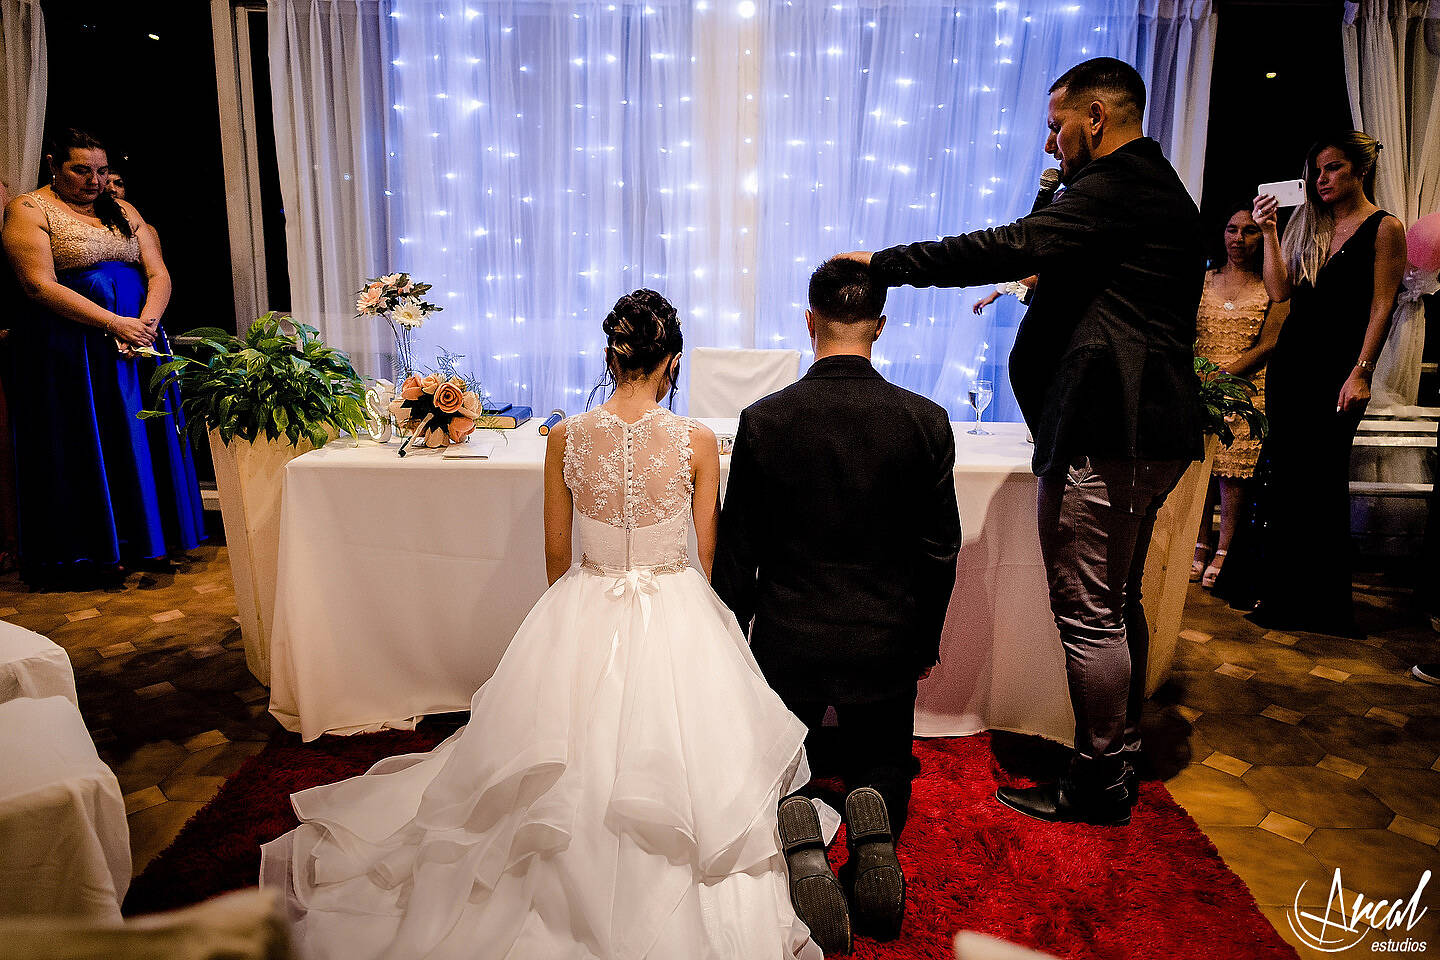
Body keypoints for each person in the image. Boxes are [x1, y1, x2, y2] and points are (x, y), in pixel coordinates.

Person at [261, 290, 836, 960]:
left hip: (583, 601)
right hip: (676, 603)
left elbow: (556, 559)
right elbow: (707, 560)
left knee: (546, 765)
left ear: (609, 355)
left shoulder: (565, 436)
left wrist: (578, 627)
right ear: (672, 362)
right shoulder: (699, 441)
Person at [841, 57, 1206, 826]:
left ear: (1096, 117)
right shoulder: (1151, 188)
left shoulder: (1119, 185)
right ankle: (1117, 752)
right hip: (1146, 428)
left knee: (1092, 613)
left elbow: (1007, 245)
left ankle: (1100, 780)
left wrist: (888, 264)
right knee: (1115, 600)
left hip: (1109, 430)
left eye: (1055, 126)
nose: (1049, 145)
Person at [713, 258, 961, 947]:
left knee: (778, 759)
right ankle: (874, 808)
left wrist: (733, 642)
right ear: (880, 326)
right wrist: (922, 641)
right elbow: (941, 550)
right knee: (882, 753)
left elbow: (739, 551)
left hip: (789, 636)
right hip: (884, 636)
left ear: (809, 322)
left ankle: (801, 836)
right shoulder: (926, 420)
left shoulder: (765, 420)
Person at [1, 128, 203, 585]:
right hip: (73, 348)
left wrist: (146, 323)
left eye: (101, 170)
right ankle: (92, 549)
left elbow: (158, 271)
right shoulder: (29, 209)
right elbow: (38, 284)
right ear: (53, 164)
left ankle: (149, 541)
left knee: (138, 435)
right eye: (81, 169)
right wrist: (115, 323)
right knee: (86, 440)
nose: (94, 180)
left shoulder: (123, 209)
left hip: (139, 342)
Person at [1242, 132, 1406, 635]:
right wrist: (1269, 230)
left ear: (1359, 170)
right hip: (1294, 365)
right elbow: (1278, 289)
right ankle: (1283, 597)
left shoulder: (1385, 228)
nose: (1321, 180)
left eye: (1332, 169)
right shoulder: (1308, 224)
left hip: (1339, 368)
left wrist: (1362, 371)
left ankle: (1324, 605)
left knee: (1321, 480)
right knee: (1286, 478)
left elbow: (1383, 306)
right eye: (1316, 172)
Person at [1191, 203, 1286, 588]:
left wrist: (1224, 373)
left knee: (1233, 475)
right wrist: (1200, 372)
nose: (1239, 239)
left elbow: (1270, 343)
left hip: (1247, 390)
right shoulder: (1204, 279)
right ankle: (1197, 543)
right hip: (1200, 385)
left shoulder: (1272, 286)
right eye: (1232, 229)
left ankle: (1224, 549)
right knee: (1200, 471)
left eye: (1249, 231)